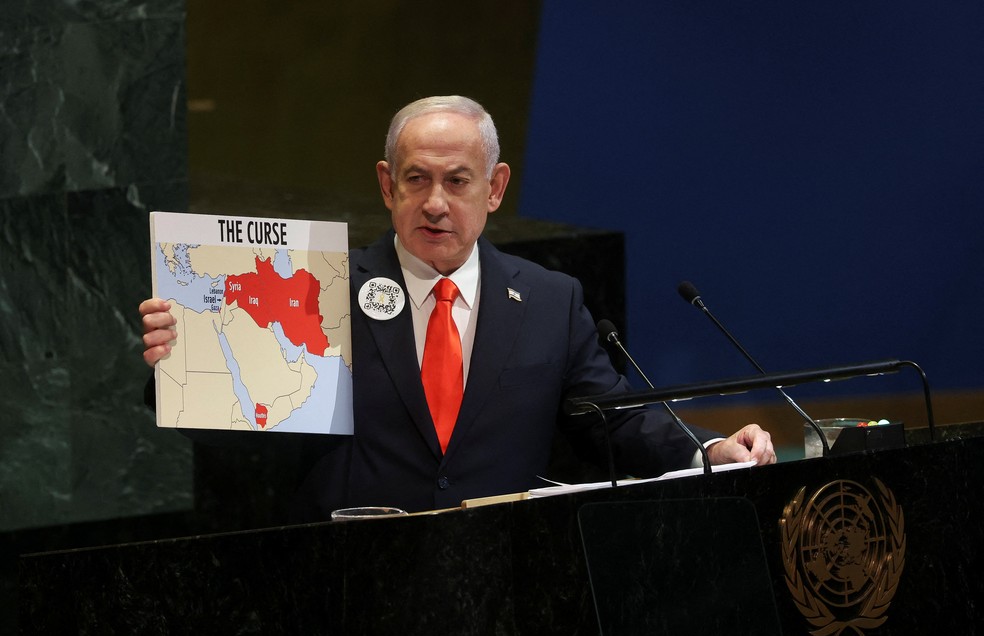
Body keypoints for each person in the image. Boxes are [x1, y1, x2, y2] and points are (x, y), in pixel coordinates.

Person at [140, 95, 776, 518]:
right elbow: (232, 420)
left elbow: (611, 422)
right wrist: (177, 355)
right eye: (416, 179)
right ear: (387, 186)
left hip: (502, 582)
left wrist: (710, 451)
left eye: (457, 180)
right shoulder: (318, 287)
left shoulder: (550, 300)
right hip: (345, 587)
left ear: (495, 188)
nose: (435, 202)